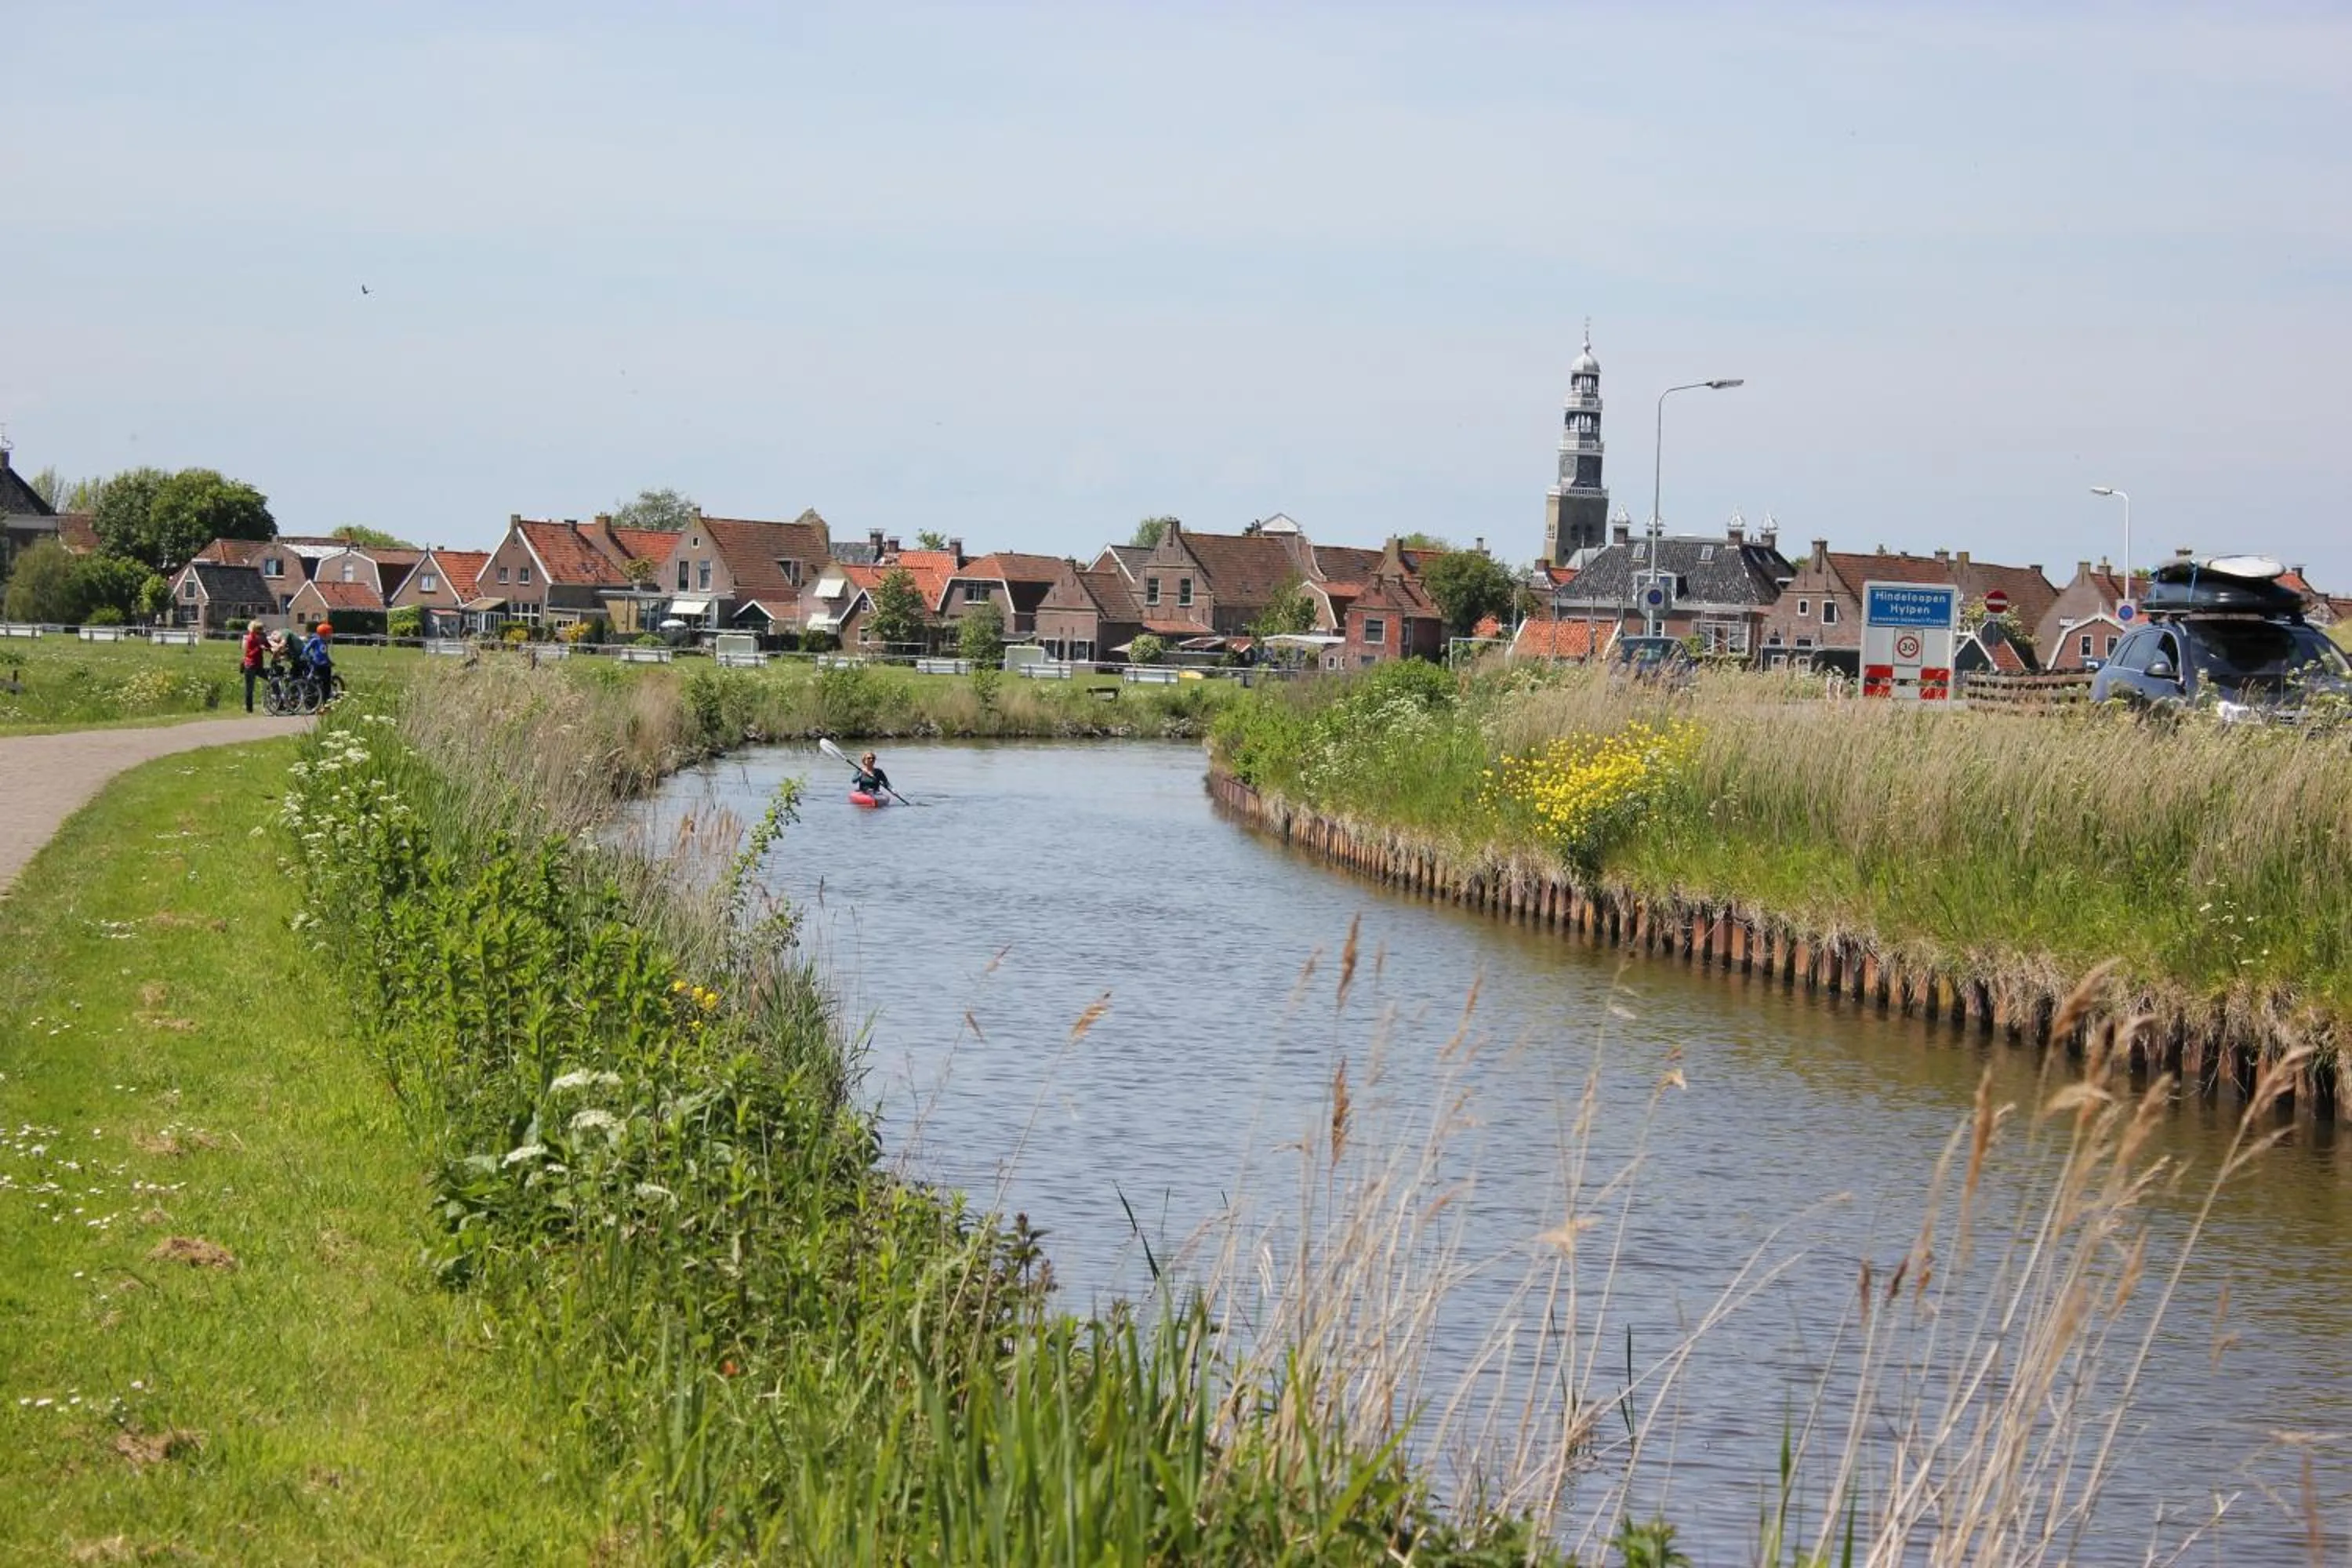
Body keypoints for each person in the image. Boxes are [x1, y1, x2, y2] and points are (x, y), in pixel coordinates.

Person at [239, 619, 267, 713]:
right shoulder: (250, 639)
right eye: (259, 629)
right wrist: (259, 648)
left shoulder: (261, 638)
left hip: (258, 665)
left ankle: (279, 702)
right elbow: (249, 654)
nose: (262, 630)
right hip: (250, 665)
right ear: (255, 630)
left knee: (271, 677)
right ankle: (249, 709)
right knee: (250, 688)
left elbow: (268, 646)